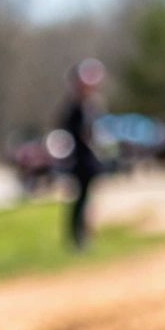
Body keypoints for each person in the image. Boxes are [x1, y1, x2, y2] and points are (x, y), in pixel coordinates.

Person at [58, 58, 107, 251]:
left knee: (87, 199)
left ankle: (85, 235)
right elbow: (69, 136)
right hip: (79, 162)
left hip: (89, 161)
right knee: (80, 200)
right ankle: (78, 238)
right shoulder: (74, 108)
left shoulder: (91, 106)